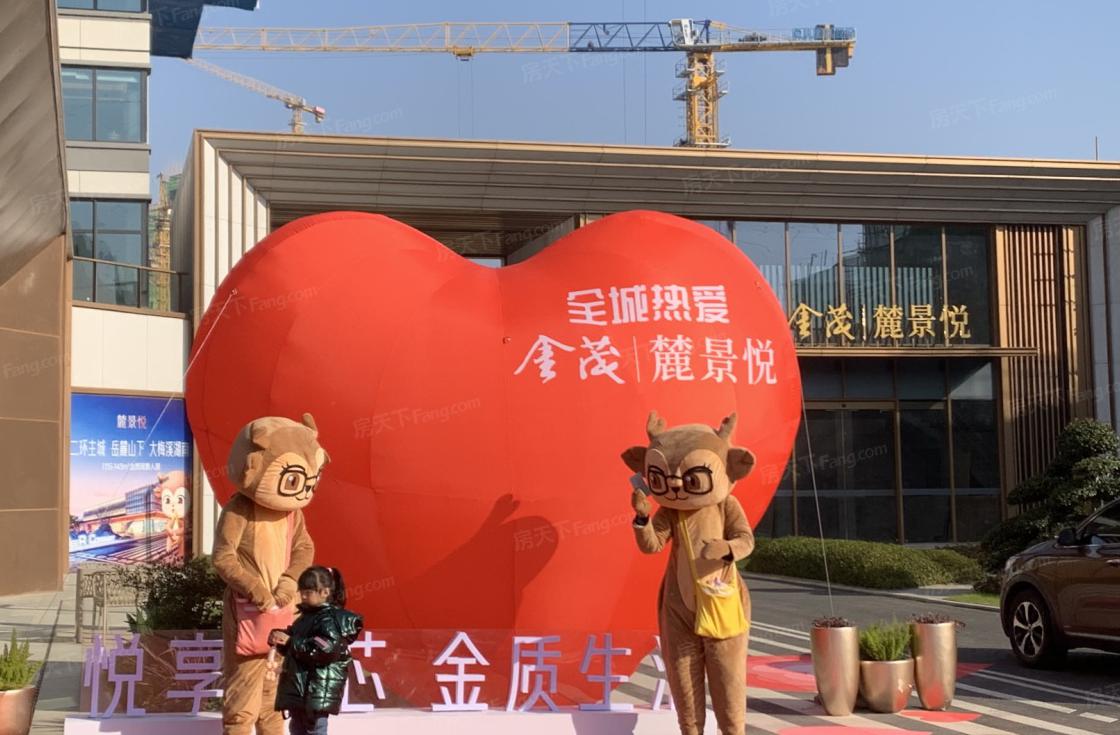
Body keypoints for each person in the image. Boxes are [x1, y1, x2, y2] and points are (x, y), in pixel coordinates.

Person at [270, 566, 363, 735]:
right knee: (297, 728)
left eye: (308, 592)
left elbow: (325, 649)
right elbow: (298, 648)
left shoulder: (329, 619)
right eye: (302, 592)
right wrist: (282, 640)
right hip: (302, 691)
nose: (303, 596)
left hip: (316, 691)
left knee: (314, 730)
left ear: (325, 592)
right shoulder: (306, 617)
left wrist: (290, 641)